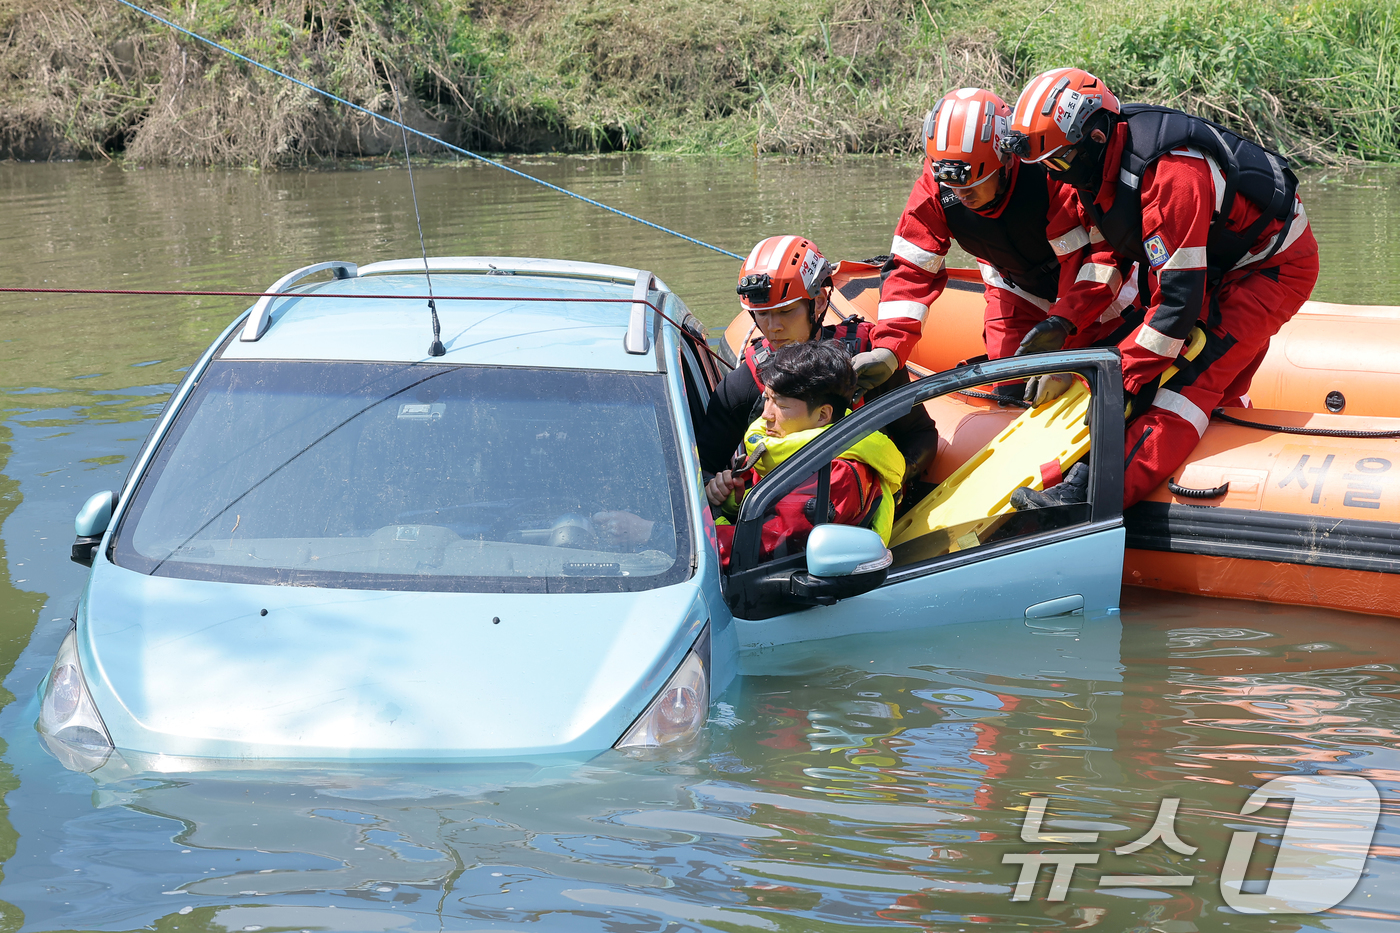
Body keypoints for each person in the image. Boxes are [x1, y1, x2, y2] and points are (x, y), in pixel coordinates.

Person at [1002, 67, 1319, 507]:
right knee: (1157, 365)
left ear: (1094, 137)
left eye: (1057, 160)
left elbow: (1177, 305)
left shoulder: (1173, 175)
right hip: (1210, 258)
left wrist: (1123, 383)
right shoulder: (1093, 170)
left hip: (1269, 266)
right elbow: (1106, 258)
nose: (1054, 174)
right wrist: (1064, 321)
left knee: (1186, 382)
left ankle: (1094, 495)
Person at [879, 87, 1141, 405]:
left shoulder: (1051, 175)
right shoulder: (937, 184)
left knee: (1091, 384)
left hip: (1094, 294)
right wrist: (888, 348)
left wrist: (1066, 339)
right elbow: (911, 268)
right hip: (1014, 290)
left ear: (1005, 160)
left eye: (974, 184)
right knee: (1010, 392)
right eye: (954, 186)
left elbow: (1100, 261)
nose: (963, 196)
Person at [695, 235, 939, 485]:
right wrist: (718, 488)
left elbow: (920, 435)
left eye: (785, 311)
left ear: (819, 302)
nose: (773, 327)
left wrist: (895, 478)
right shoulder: (740, 386)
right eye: (763, 314)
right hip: (780, 520)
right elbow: (701, 471)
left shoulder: (868, 360)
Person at [706, 341, 906, 567]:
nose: (766, 416)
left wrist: (710, 517)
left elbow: (757, 553)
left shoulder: (835, 475)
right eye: (767, 400)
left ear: (823, 416)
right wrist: (737, 500)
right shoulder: (791, 447)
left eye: (780, 405)